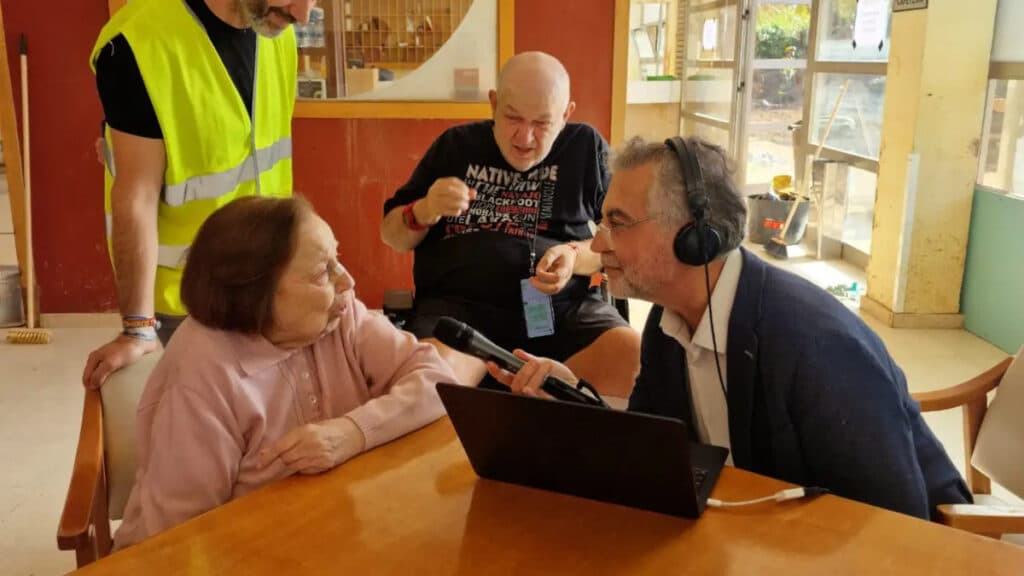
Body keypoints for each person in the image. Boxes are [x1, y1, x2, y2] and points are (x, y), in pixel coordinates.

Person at [488, 136, 971, 520]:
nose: (597, 242)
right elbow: (656, 447)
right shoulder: (668, 320)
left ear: (691, 236)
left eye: (617, 222)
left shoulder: (814, 344)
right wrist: (576, 398)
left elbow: (894, 519)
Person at [113, 196, 455, 549]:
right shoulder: (201, 374)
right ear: (256, 294)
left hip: (327, 533)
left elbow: (439, 381)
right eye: (324, 271)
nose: (348, 282)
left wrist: (352, 432)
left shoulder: (341, 317)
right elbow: (177, 541)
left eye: (338, 258)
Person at [82, 0, 315, 389]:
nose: (304, 15)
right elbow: (136, 195)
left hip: (267, 287)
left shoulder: (276, 31)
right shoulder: (139, 45)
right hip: (188, 303)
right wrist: (139, 328)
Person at [380, 51, 640, 397]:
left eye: (542, 123)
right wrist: (425, 209)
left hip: (564, 314)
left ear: (566, 115)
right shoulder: (456, 146)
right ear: (493, 103)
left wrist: (573, 257)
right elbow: (393, 234)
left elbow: (621, 242)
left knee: (638, 366)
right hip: (462, 314)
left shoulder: (585, 147)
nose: (525, 138)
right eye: (513, 117)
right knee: (426, 391)